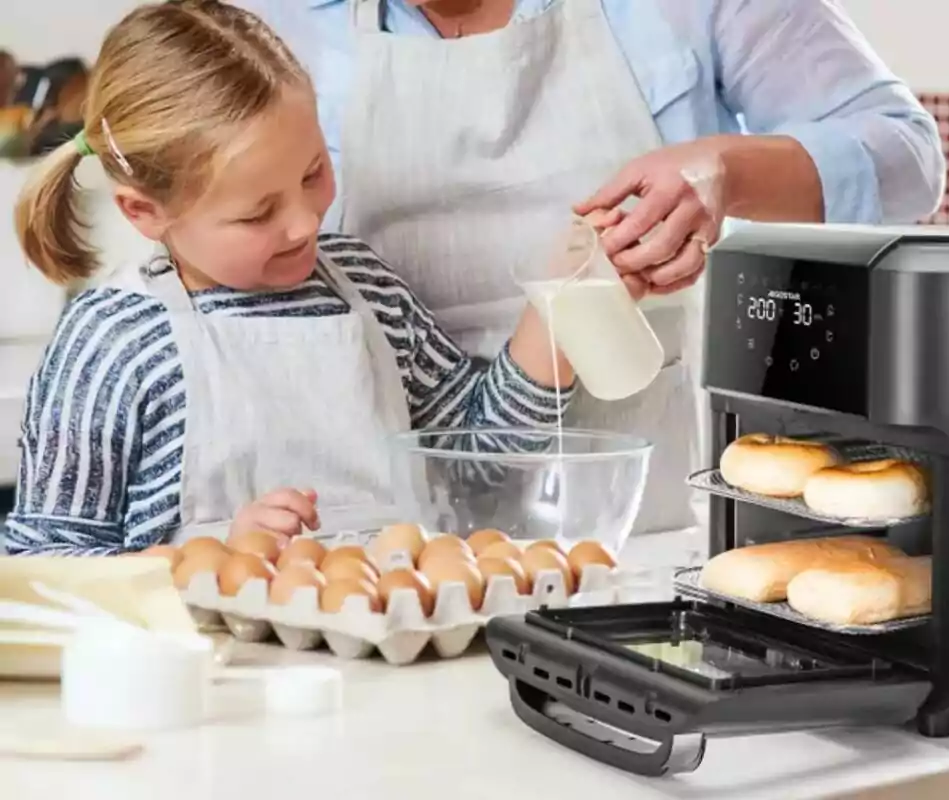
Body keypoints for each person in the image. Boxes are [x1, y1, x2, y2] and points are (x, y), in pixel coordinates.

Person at [243, 0, 948, 535]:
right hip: (397, 546)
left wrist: (725, 169)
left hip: (666, 513)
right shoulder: (276, 23)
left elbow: (909, 158)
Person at [3, 0, 583, 556]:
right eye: (258, 214)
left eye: (314, 173)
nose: (306, 223)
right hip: (213, 659)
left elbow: (479, 462)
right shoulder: (112, 341)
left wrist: (566, 303)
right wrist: (211, 557)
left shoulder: (366, 288)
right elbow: (42, 562)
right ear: (144, 212)